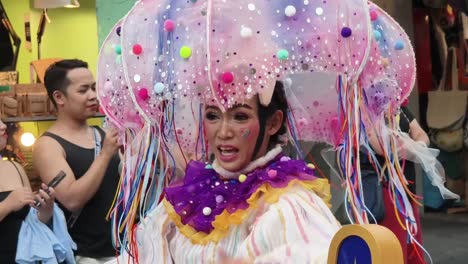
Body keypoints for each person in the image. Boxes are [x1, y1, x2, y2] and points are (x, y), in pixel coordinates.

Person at [112, 81, 341, 263]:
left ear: (272, 123)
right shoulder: (189, 197)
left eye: (240, 116)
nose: (223, 132)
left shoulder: (288, 205)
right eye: (212, 115)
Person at [33, 59, 121, 263]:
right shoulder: (48, 145)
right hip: (84, 255)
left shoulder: (102, 134)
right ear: (59, 97)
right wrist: (106, 154)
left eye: (93, 88)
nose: (93, 96)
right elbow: (72, 199)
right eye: (83, 91)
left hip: (122, 250)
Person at [364, 105, 430, 264]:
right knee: (394, 249)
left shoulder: (400, 107)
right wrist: (408, 146)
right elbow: (381, 146)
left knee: (414, 249)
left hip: (408, 189)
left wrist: (418, 146)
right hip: (386, 191)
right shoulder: (365, 109)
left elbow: (421, 134)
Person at [0, 118, 57, 262]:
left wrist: (45, 210)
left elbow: (31, 222)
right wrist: (7, 205)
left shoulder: (16, 168)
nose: (3, 126)